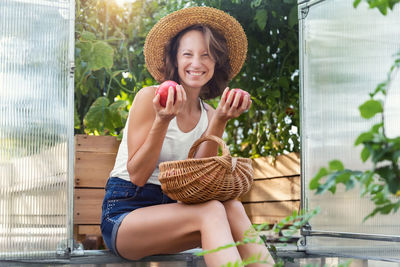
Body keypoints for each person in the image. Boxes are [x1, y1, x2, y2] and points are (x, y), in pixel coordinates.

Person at [101, 6, 274, 267]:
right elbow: (137, 175)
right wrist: (162, 120)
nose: (196, 63)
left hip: (176, 213)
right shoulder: (150, 98)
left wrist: (220, 120)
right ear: (175, 59)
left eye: (206, 55)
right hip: (126, 215)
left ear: (216, 62)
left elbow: (200, 180)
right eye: (188, 54)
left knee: (231, 207)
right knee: (213, 210)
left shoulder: (209, 113)